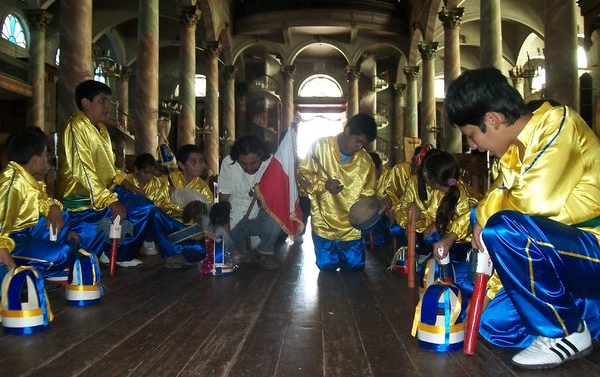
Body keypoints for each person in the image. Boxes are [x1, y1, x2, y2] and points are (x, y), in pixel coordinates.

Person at [445, 67, 600, 369]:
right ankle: (581, 313)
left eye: (471, 136)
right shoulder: (513, 155)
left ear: (492, 120)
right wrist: (489, 291)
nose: (473, 146)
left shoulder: (558, 124)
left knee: (503, 228)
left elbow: (533, 202)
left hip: (592, 247)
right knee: (494, 324)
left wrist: (484, 216)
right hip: (565, 260)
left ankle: (566, 331)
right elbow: (500, 212)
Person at [57, 80, 203, 268]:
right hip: (85, 197)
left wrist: (128, 185)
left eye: (109, 101)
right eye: (103, 101)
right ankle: (184, 244)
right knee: (144, 209)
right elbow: (83, 170)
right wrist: (110, 200)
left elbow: (110, 169)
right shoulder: (76, 126)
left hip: (107, 191)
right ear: (86, 103)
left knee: (147, 206)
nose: (108, 106)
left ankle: (178, 245)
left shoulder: (101, 129)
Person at [297, 113, 381, 272]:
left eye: (364, 144)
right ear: (347, 130)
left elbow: (367, 195)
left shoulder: (366, 162)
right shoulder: (319, 147)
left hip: (351, 227)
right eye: (358, 141)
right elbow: (302, 174)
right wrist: (323, 185)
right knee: (326, 266)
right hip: (323, 223)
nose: (359, 147)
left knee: (355, 266)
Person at [0, 127, 79, 282]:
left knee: (63, 216)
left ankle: (45, 267)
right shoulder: (13, 183)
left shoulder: (28, 180)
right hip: (11, 240)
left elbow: (43, 202)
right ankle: (32, 273)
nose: (47, 160)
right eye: (45, 155)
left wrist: (54, 208)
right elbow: (1, 220)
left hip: (26, 233)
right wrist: (2, 247)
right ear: (35, 160)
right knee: (63, 254)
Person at [217, 134, 282, 270]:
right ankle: (245, 251)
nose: (249, 168)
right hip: (233, 219)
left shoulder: (271, 163)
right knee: (234, 259)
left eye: (253, 163)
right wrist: (225, 232)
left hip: (258, 217)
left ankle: (263, 253)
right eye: (244, 164)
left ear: (262, 157)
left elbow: (278, 197)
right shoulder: (228, 163)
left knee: (277, 216)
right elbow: (223, 200)